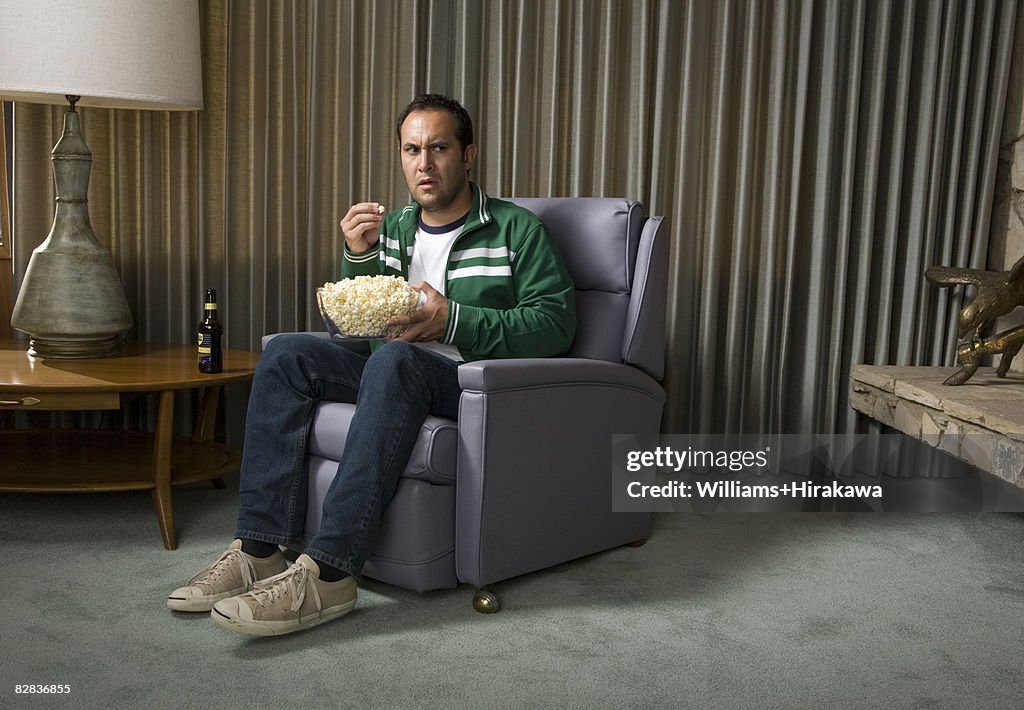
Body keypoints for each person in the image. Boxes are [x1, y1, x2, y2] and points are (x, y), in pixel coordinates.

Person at [166, 94, 577, 636]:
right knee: (288, 351)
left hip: (466, 383)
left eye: (439, 148)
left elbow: (555, 325)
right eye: (411, 150)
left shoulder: (515, 231)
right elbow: (358, 334)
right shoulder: (396, 230)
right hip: (390, 370)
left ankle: (332, 571)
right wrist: (357, 257)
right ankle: (259, 548)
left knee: (399, 360)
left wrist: (452, 319)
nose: (424, 164)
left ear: (469, 154)